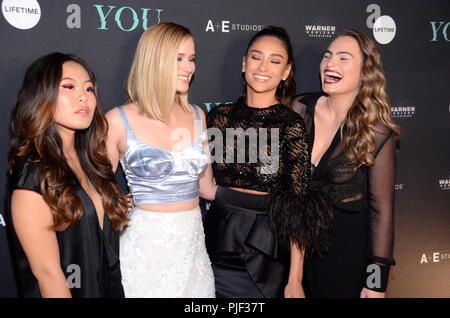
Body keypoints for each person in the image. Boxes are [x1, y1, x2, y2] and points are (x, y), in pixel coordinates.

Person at [204, 26, 332, 298]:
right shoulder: (218, 117)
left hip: (266, 251)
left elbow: (298, 208)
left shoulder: (291, 125)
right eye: (256, 57)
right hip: (216, 242)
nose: (263, 67)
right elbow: (203, 181)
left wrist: (295, 279)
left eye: (275, 61)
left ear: (286, 72)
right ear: (244, 63)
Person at [105, 22, 216, 298]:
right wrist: (116, 201)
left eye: (191, 59)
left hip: (193, 249)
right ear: (154, 60)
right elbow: (98, 191)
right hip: (144, 248)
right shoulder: (118, 120)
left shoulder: (197, 115)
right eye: (179, 58)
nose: (189, 67)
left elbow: (207, 188)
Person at [5, 52, 129, 298]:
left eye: (89, 89)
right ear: (42, 96)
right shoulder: (32, 177)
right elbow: (49, 277)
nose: (83, 96)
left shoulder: (93, 163)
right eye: (69, 87)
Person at [291, 29, 400, 298]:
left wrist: (376, 283)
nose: (331, 63)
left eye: (344, 58)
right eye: (327, 56)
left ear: (365, 72)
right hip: (293, 255)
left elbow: (381, 211)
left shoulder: (376, 133)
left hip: (343, 262)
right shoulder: (299, 108)